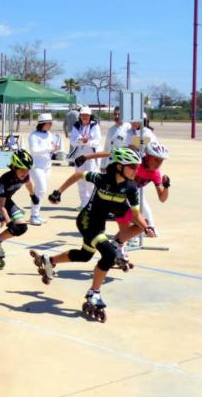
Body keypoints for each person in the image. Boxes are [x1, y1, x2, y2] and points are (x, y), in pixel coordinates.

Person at [31, 147, 152, 322]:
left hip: (99, 224)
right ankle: (94, 293)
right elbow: (78, 175)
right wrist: (58, 192)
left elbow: (135, 213)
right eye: (132, 166)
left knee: (85, 256)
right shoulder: (101, 179)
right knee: (108, 254)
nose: (136, 170)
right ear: (119, 166)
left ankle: (49, 260)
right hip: (86, 221)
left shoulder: (131, 188)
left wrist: (146, 227)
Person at [70, 106, 101, 209]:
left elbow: (97, 142)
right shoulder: (76, 125)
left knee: (91, 180)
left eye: (87, 115)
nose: (85, 117)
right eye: (83, 115)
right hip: (79, 154)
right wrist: (79, 141)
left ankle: (92, 204)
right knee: (80, 180)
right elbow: (72, 141)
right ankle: (83, 203)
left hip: (91, 155)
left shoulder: (95, 126)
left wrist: (88, 141)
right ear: (80, 116)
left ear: (90, 116)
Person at [28, 113, 56, 225]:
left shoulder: (50, 135)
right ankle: (34, 215)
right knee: (41, 189)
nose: (51, 125)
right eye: (49, 123)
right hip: (36, 166)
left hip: (47, 166)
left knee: (41, 191)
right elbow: (34, 150)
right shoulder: (33, 135)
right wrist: (49, 148)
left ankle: (36, 214)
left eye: (51, 123)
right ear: (42, 123)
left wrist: (54, 149)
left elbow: (51, 148)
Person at [100, 107, 130, 172]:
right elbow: (107, 148)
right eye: (115, 114)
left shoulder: (129, 128)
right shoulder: (111, 130)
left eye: (119, 114)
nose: (117, 116)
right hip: (112, 163)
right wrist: (103, 165)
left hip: (125, 163)